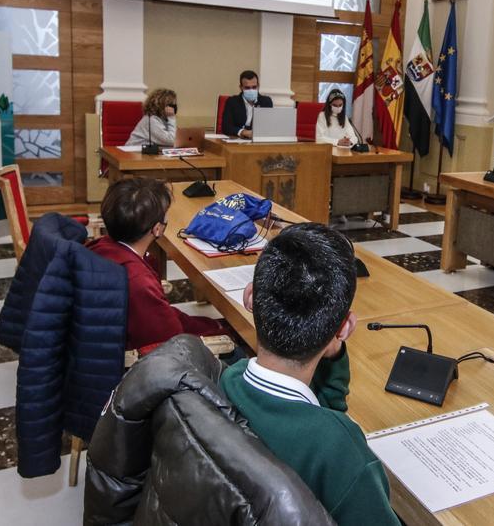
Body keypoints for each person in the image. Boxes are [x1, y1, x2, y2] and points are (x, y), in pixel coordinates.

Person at [222, 224, 399, 526]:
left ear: (250, 297)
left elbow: (319, 416)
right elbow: (327, 429)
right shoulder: (340, 449)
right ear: (344, 328)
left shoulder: (228, 378)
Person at [87, 178, 230, 350]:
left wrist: (214, 325)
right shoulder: (138, 282)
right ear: (157, 229)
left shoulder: (99, 247)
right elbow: (172, 342)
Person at [221, 70, 273, 138]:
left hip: (258, 141)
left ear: (258, 86)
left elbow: (269, 126)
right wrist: (242, 132)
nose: (251, 90)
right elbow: (226, 127)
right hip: (237, 141)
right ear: (241, 87)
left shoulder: (266, 102)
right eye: (247, 88)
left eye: (254, 87)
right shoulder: (232, 101)